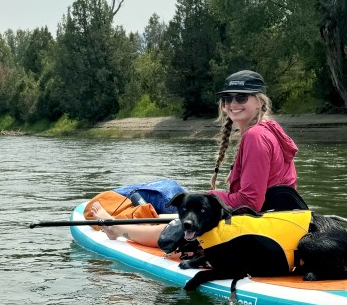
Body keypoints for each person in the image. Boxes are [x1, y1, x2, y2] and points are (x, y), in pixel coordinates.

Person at [91, 70, 299, 246]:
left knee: (181, 225)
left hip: (262, 225)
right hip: (273, 218)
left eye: (241, 97)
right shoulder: (268, 130)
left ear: (259, 102)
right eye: (227, 98)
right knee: (183, 213)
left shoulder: (256, 136)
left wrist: (209, 197)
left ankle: (116, 229)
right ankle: (133, 223)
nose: (232, 103)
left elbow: (251, 201)